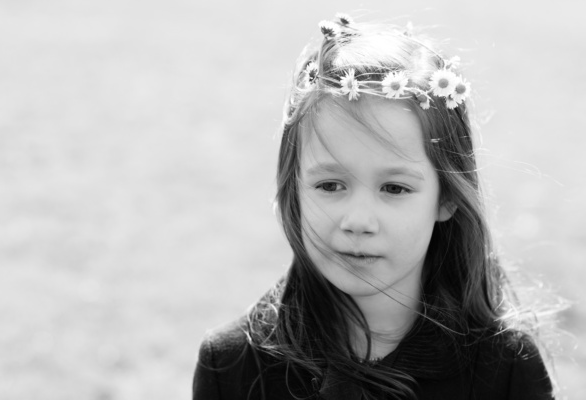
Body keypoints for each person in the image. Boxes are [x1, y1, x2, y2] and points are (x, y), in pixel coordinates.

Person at [193, 13, 555, 400]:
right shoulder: (233, 366)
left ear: (447, 196)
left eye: (394, 188)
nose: (359, 221)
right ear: (293, 188)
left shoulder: (504, 370)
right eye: (330, 185)